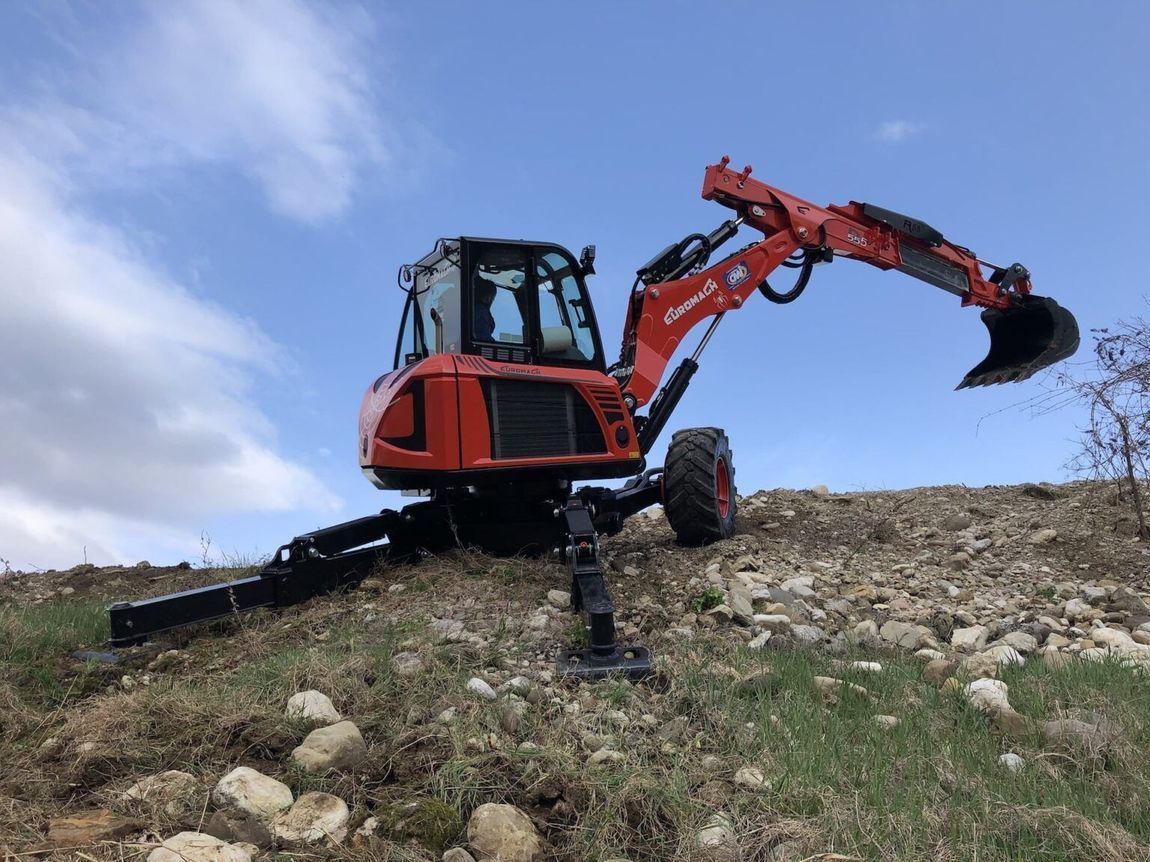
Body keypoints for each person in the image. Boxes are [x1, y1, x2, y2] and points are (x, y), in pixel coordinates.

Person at [472, 274, 497, 342]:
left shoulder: (465, 310)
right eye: (493, 298)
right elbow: (483, 338)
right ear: (487, 298)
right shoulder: (480, 311)